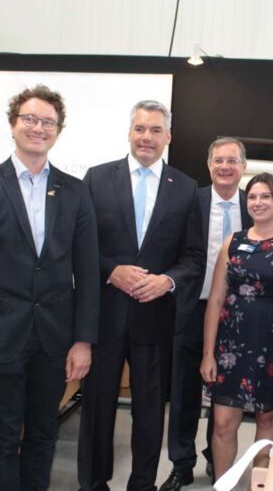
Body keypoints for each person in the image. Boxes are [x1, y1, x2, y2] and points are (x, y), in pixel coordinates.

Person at [0, 85, 100, 490]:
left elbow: (87, 275)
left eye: (48, 122)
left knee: (43, 433)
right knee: (3, 435)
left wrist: (83, 341)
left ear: (58, 131)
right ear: (13, 124)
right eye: (30, 119)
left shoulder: (75, 192)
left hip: (54, 339)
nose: (38, 128)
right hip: (0, 338)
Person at [77, 100, 203, 491]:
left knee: (149, 414)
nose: (146, 137)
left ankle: (142, 484)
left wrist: (167, 281)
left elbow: (194, 257)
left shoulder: (186, 188)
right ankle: (92, 483)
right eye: (140, 128)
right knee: (96, 408)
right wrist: (110, 271)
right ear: (129, 132)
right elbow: (80, 245)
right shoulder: (97, 179)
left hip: (156, 318)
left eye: (155, 130)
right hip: (104, 316)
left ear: (168, 137)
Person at [200, 173, 273, 481]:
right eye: (252, 196)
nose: (258, 202)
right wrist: (208, 354)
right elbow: (215, 300)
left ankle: (260, 485)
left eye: (265, 196)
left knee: (267, 423)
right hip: (231, 349)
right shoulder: (233, 242)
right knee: (223, 424)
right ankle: (223, 486)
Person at [160, 137, 252, 491]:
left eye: (232, 160)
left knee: (226, 393)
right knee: (183, 390)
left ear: (243, 167)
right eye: (218, 160)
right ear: (209, 164)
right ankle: (181, 463)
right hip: (190, 309)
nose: (225, 167)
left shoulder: (255, 204)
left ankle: (218, 457)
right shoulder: (190, 201)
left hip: (236, 315)